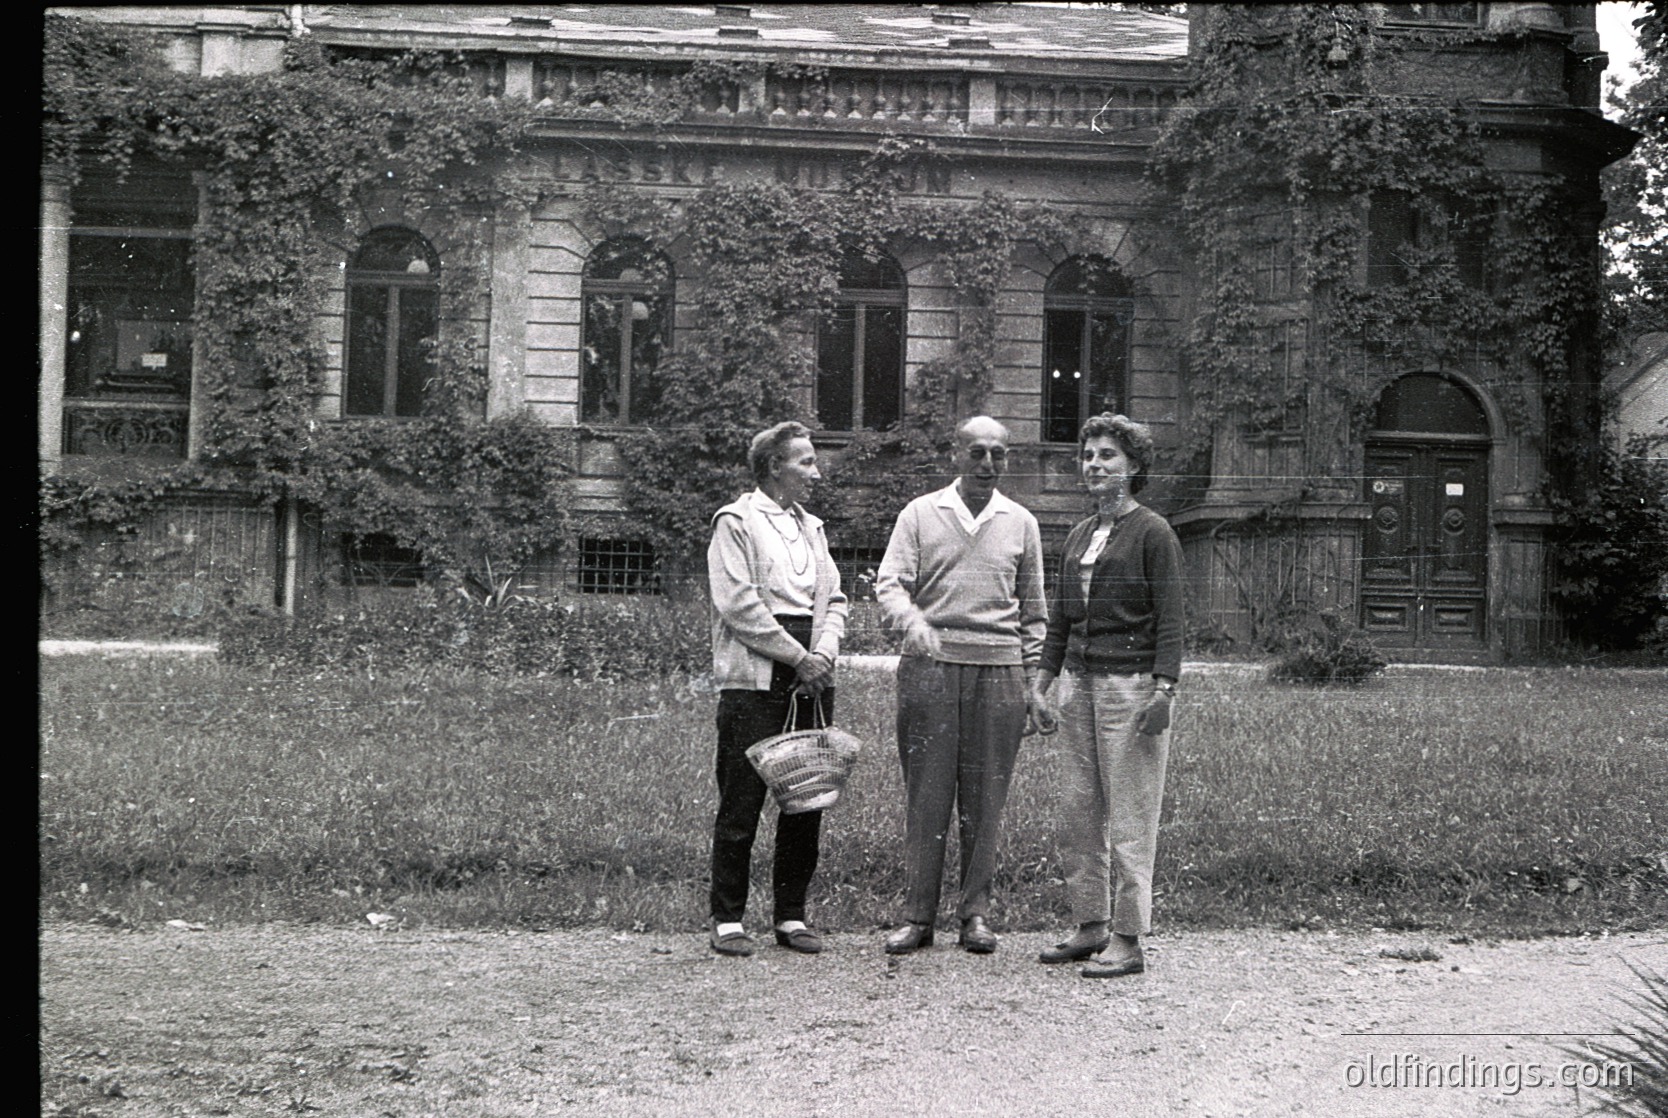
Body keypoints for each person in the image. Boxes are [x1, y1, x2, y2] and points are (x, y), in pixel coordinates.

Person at [874, 416, 1052, 955]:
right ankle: (917, 916)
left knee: (985, 800)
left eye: (999, 454)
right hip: (929, 671)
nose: (988, 464)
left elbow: (1034, 614)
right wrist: (912, 622)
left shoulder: (1021, 522)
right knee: (927, 797)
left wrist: (1034, 685)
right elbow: (890, 585)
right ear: (955, 454)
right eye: (977, 452)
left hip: (999, 675)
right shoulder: (919, 513)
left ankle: (975, 913)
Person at [1035, 413, 1184, 978]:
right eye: (1088, 455)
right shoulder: (1079, 535)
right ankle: (1091, 924)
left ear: (1134, 465)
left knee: (1130, 815)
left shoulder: (1153, 532)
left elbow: (1172, 618)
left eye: (1107, 456)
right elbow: (1060, 620)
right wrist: (1042, 682)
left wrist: (1164, 688)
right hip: (1079, 686)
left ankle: (1128, 937)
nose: (1094, 465)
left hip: (1132, 688)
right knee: (1077, 811)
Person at [706, 421, 848, 957]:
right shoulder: (735, 522)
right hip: (757, 675)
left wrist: (823, 654)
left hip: (813, 674)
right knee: (741, 802)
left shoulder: (812, 527)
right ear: (773, 466)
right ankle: (727, 919)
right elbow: (739, 606)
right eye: (806, 462)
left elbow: (835, 600)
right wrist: (798, 656)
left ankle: (791, 916)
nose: (816, 473)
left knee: (806, 797)